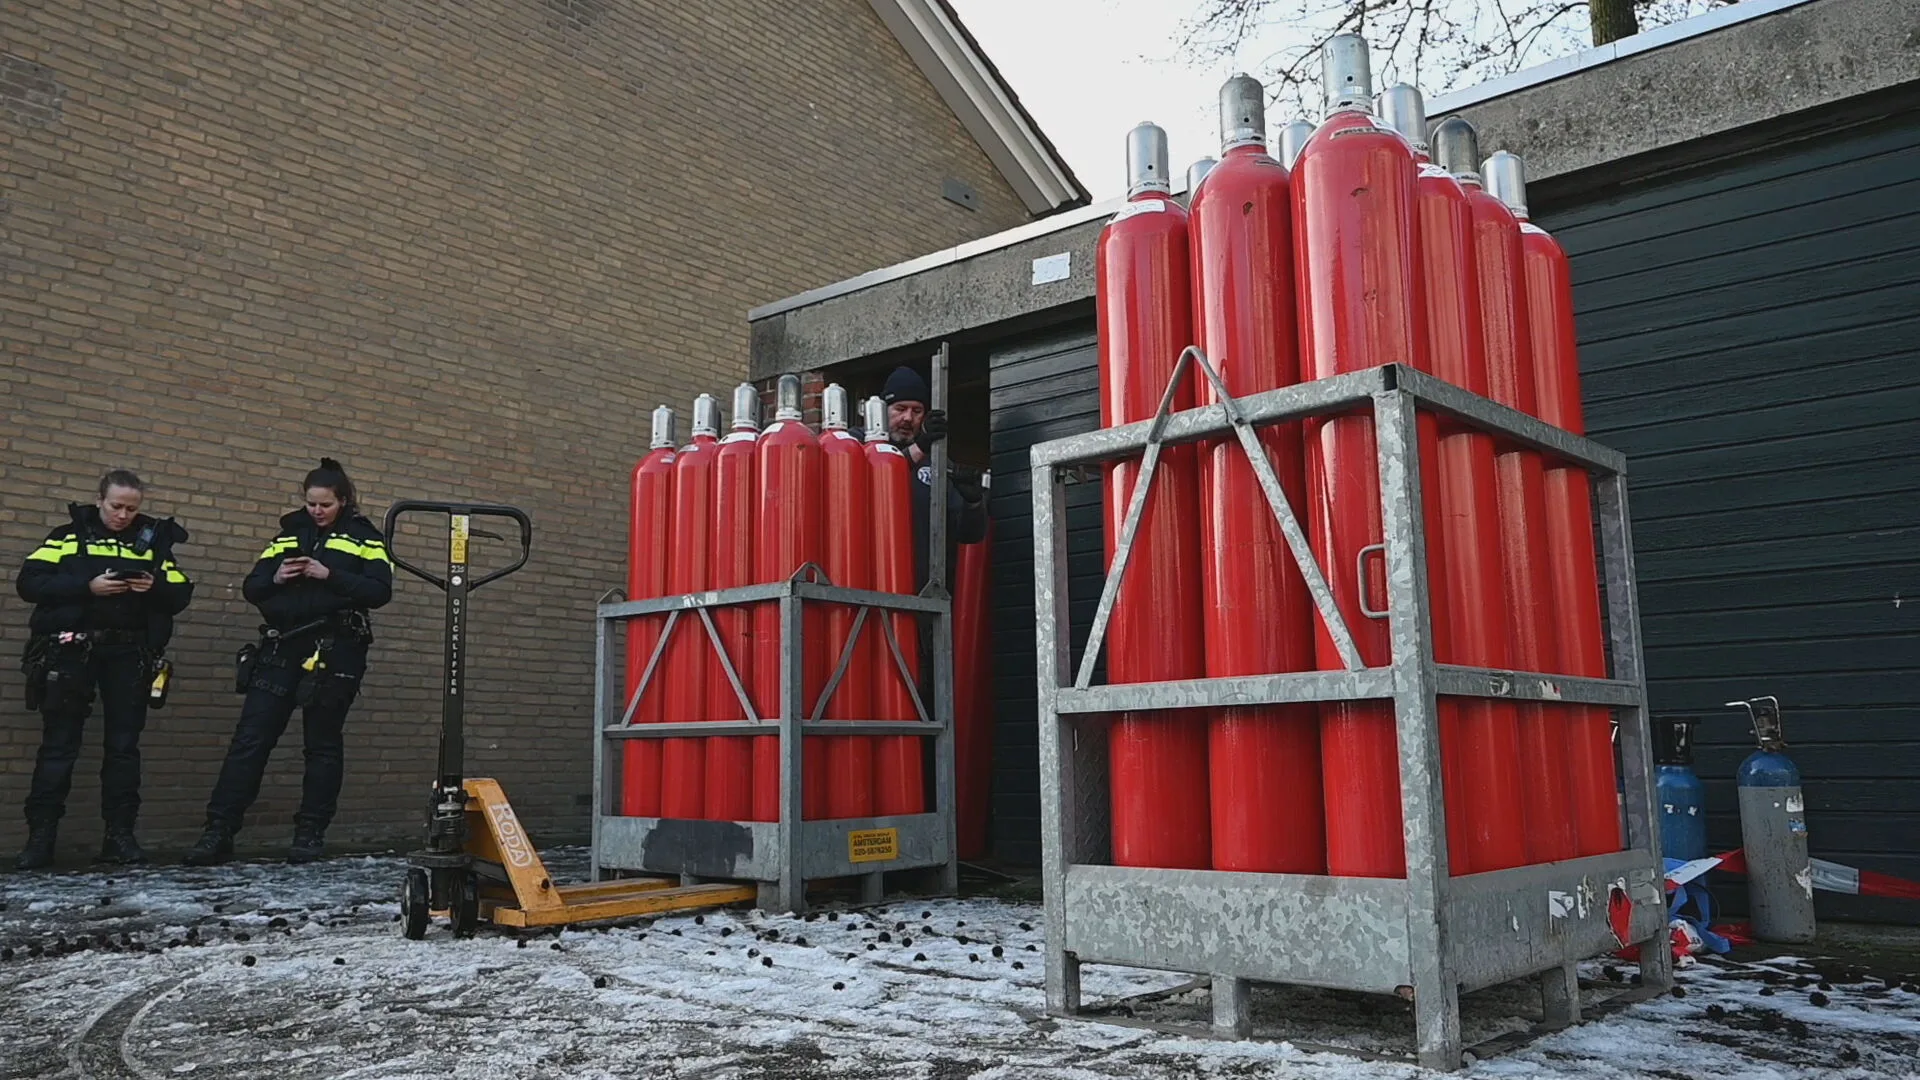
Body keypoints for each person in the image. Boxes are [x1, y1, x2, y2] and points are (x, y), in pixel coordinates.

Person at [184, 459, 393, 866]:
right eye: (311, 503)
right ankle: (219, 831)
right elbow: (253, 586)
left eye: (325, 504)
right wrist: (278, 577)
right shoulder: (288, 535)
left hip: (335, 648)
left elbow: (379, 591)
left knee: (322, 745)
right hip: (283, 645)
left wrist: (326, 573)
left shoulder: (366, 538)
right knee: (251, 739)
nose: (316, 511)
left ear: (343, 501)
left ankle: (310, 833)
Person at [14, 470, 193, 870]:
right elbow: (29, 582)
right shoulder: (67, 536)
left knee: (124, 748)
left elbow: (181, 590)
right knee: (59, 744)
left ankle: (120, 837)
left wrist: (155, 588)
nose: (123, 515)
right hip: (72, 649)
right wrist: (87, 587)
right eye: (116, 506)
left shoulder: (152, 542)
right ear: (99, 500)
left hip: (129, 653)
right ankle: (40, 839)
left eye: (132, 508)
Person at [877, 365, 988, 591]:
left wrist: (973, 503)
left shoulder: (937, 463)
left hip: (925, 595)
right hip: (870, 585)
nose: (908, 418)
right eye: (900, 408)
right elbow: (879, 476)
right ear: (882, 410)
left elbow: (970, 535)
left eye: (917, 411)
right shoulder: (858, 447)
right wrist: (920, 447)